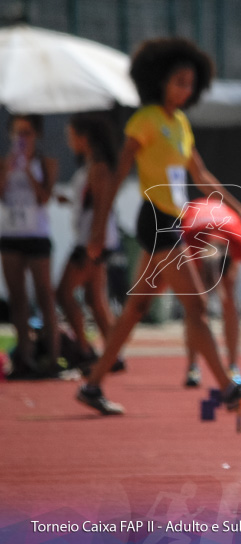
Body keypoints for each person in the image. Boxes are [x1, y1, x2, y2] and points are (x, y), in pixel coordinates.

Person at [75, 37, 241, 415]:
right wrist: (99, 226)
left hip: (173, 222)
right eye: (179, 80)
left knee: (136, 309)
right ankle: (228, 389)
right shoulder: (144, 120)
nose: (185, 88)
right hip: (157, 222)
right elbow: (118, 173)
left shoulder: (179, 123)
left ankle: (93, 384)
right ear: (159, 80)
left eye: (190, 83)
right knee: (197, 308)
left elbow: (202, 175)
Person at [55, 112, 122, 370]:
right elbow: (92, 204)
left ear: (85, 137)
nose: (69, 140)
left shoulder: (99, 166)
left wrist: (97, 238)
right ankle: (112, 354)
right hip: (93, 238)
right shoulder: (92, 165)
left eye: (71, 135)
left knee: (63, 292)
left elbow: (103, 205)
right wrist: (71, 203)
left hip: (92, 242)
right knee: (95, 299)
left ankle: (84, 348)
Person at [176, 194, 241, 388]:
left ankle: (233, 366)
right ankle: (192, 366)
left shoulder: (239, 242)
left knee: (229, 300)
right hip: (197, 227)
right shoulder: (187, 238)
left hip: (223, 228)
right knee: (195, 306)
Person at [0, 114, 61, 378]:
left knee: (45, 296)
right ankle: (24, 356)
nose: (21, 139)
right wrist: (8, 170)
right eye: (17, 133)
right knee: (18, 298)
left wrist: (27, 172)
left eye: (27, 133)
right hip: (11, 235)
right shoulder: (5, 163)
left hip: (37, 234)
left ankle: (53, 357)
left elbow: (45, 197)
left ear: (36, 135)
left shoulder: (46, 162)